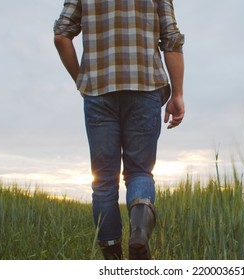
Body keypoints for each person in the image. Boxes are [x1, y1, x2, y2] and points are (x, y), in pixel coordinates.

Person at [53, 0, 185, 260]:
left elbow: (61, 37)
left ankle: (113, 261)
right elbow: (171, 40)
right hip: (145, 88)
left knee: (103, 181)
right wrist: (177, 94)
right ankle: (139, 233)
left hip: (98, 92)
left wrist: (81, 79)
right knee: (139, 171)